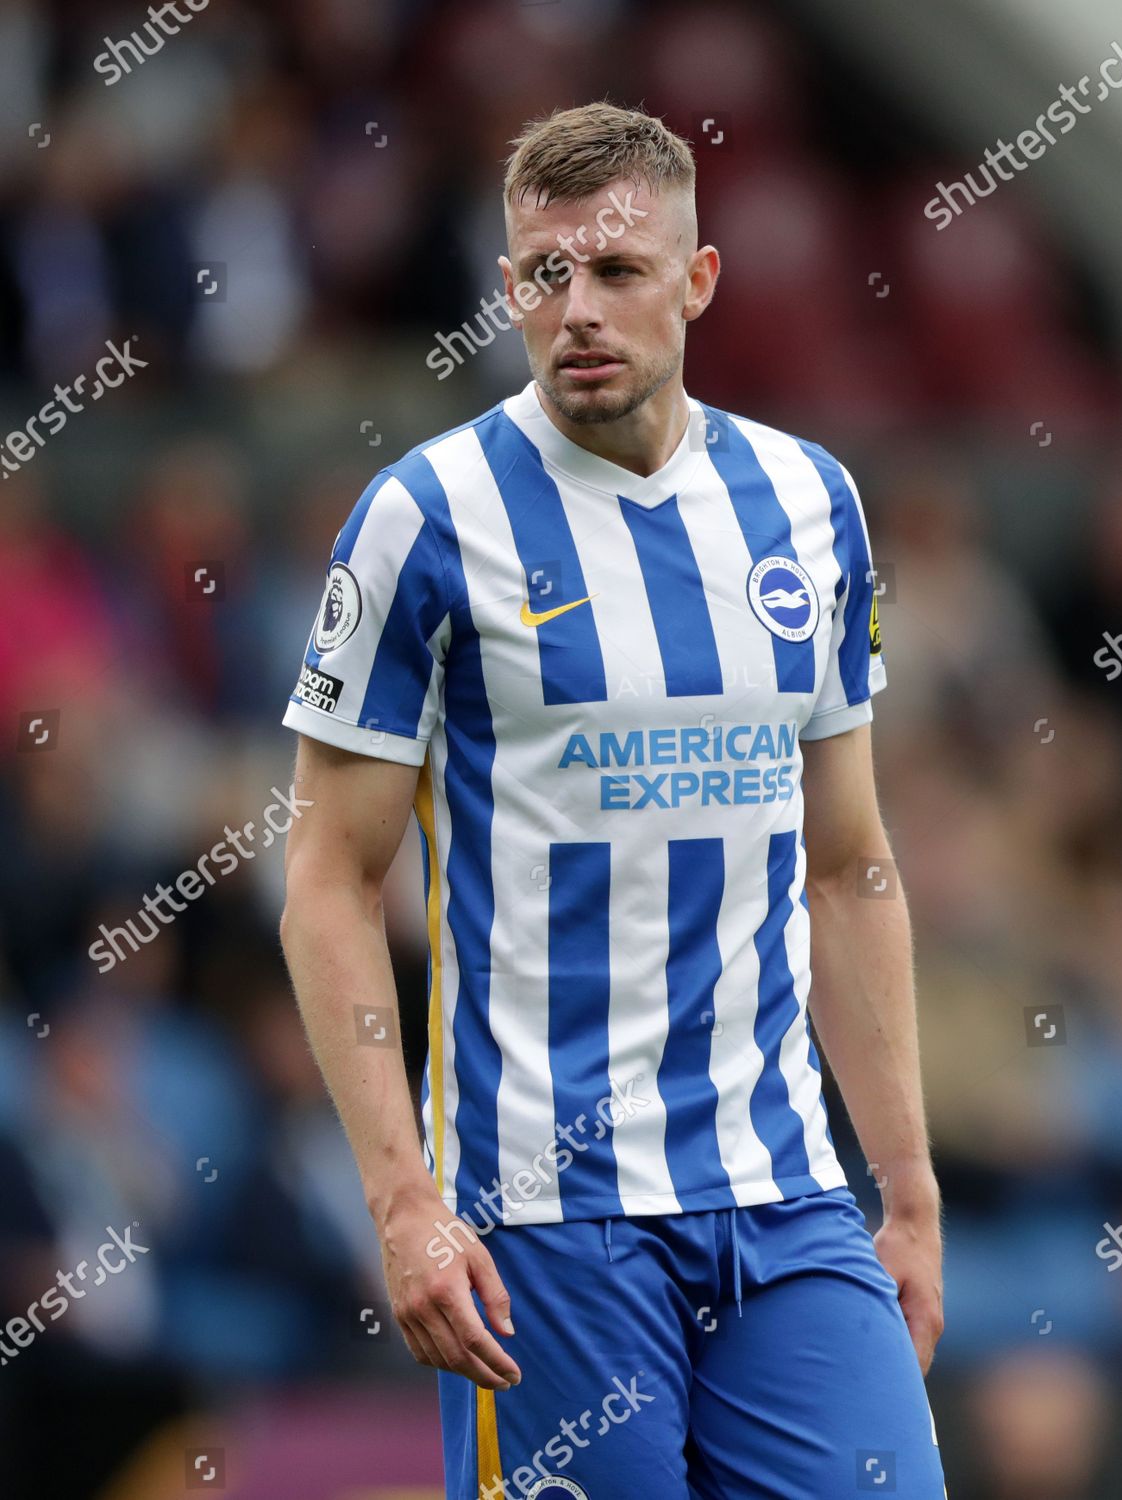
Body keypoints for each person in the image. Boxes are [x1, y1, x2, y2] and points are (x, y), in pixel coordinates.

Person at [280, 101, 946, 1500]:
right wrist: (404, 1204)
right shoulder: (427, 517)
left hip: (784, 1199)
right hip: (543, 1220)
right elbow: (329, 881)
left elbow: (847, 865)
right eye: (542, 275)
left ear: (696, 282)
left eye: (618, 271)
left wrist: (906, 1182)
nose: (576, 309)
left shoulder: (812, 504)